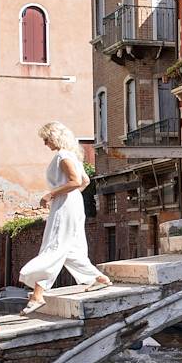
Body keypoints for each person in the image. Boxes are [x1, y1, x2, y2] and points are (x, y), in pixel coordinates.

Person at [19, 122, 113, 315]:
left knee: (54, 245)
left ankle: (38, 295)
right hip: (73, 204)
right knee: (71, 248)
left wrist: (52, 194)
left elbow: (76, 181)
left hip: (65, 206)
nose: (45, 143)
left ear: (54, 137)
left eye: (46, 139)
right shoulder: (72, 156)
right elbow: (85, 181)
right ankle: (98, 279)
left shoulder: (62, 156)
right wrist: (70, 195)